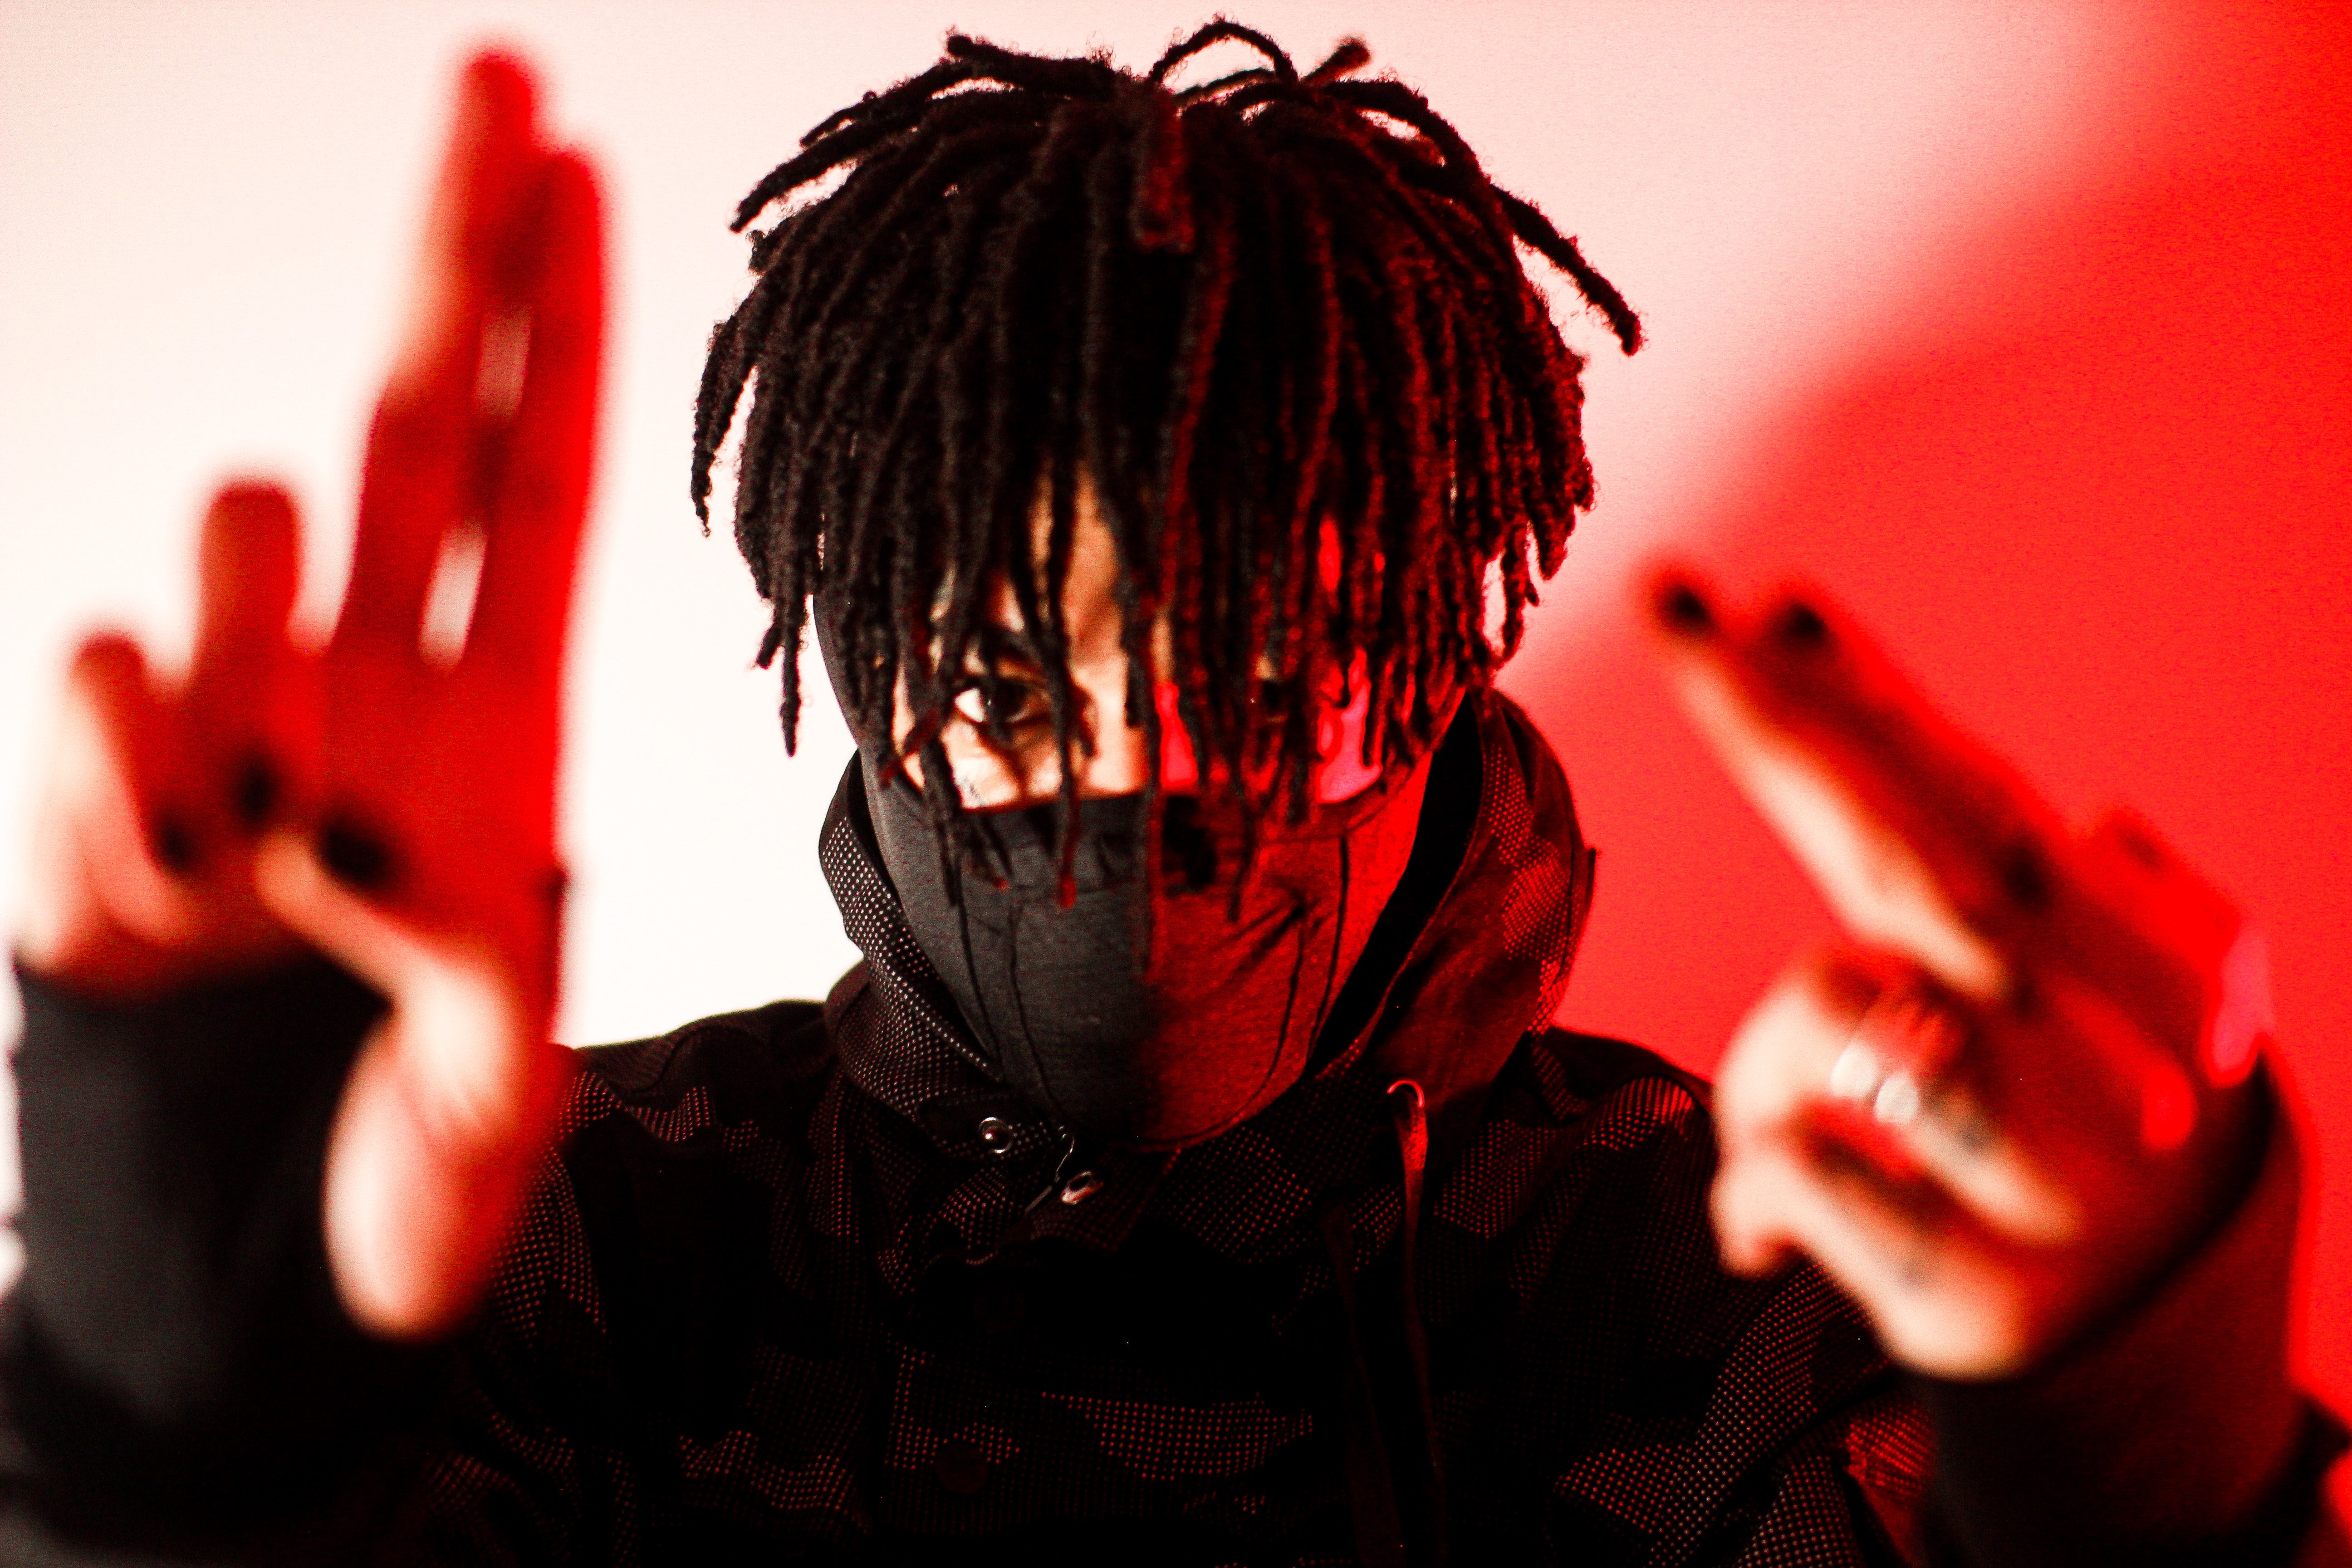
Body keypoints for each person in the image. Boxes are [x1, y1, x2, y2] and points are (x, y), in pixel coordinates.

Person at [1, 27, 2342, 1566]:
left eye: (1263, 679)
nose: (1134, 803)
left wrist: (2134, 1445)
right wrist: (186, 1426)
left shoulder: (1738, 1286)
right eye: (1011, 688)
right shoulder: (585, 1243)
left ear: (1432, 660)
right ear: (873, 682)